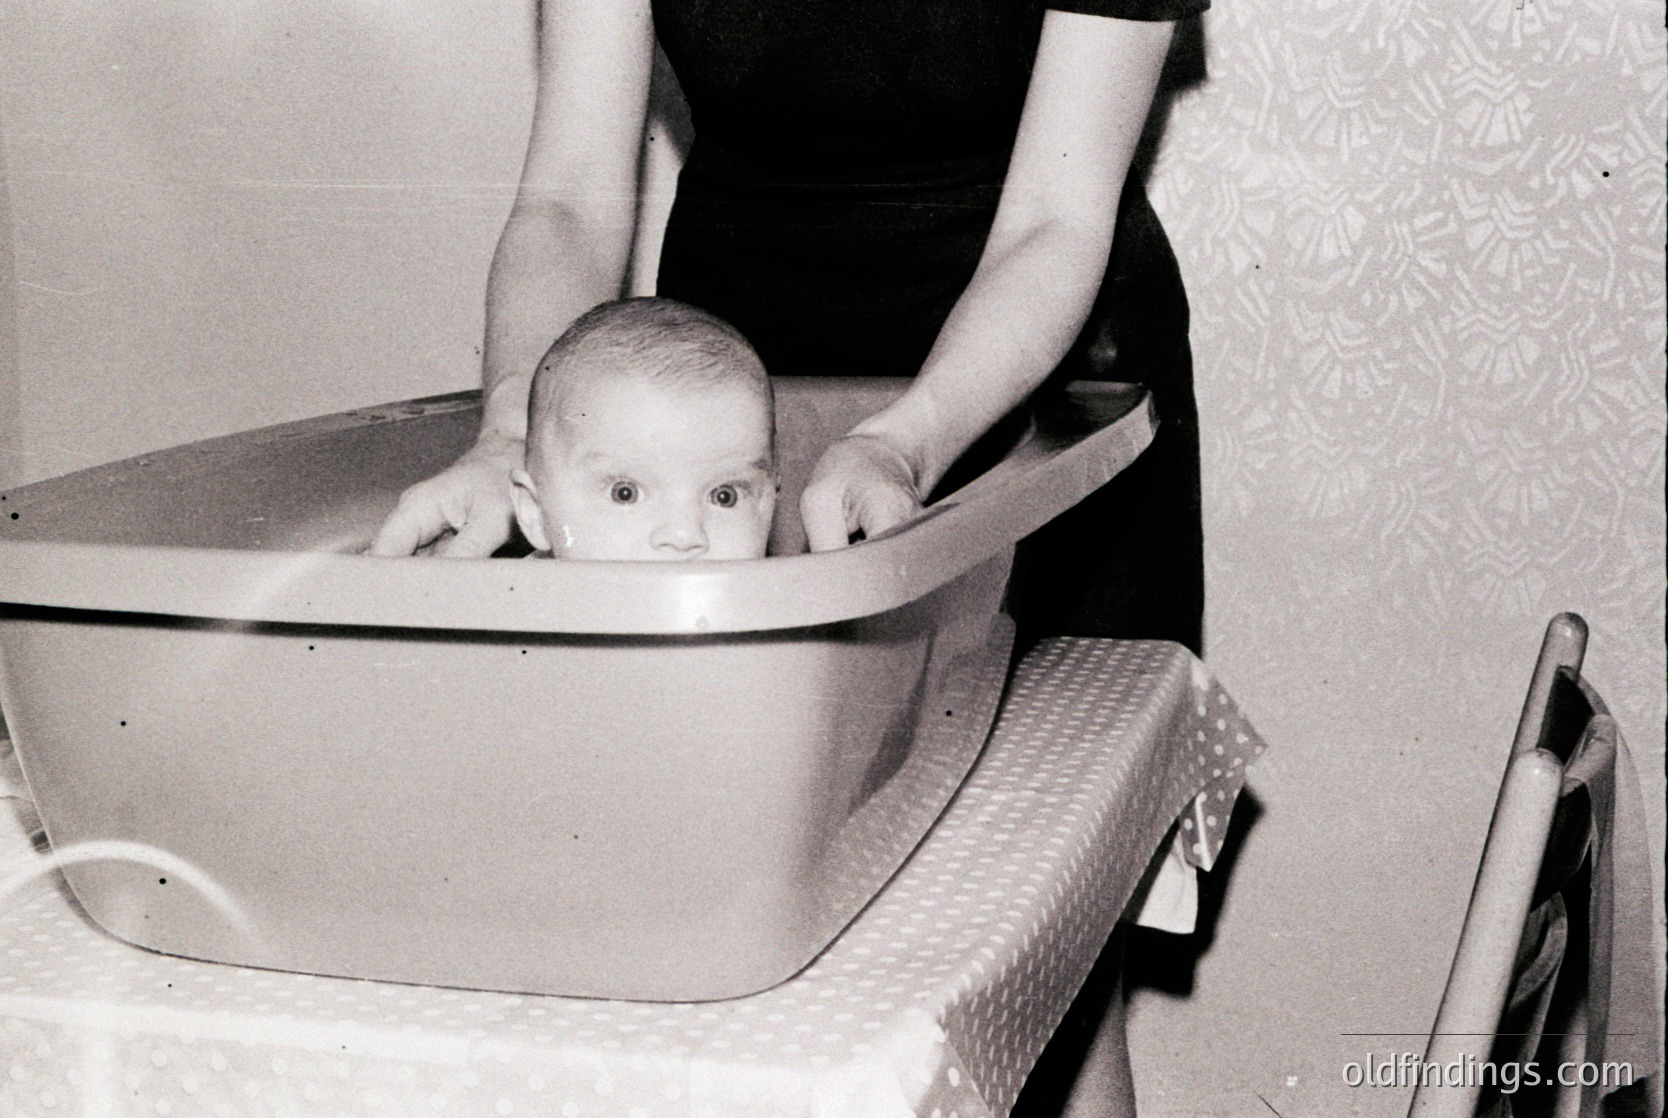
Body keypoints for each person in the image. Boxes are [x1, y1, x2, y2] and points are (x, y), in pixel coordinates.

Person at [371, 1, 1209, 1111]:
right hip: (733, 402)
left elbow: (1053, 220)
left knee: (1056, 963)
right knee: (709, 912)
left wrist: (903, 441)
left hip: (1036, 380)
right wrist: (509, 434)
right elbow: (569, 192)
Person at [509, 297, 776, 562]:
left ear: (769, 505)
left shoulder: (779, 590)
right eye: (625, 494)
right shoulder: (506, 590)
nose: (684, 536)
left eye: (725, 496)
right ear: (536, 514)